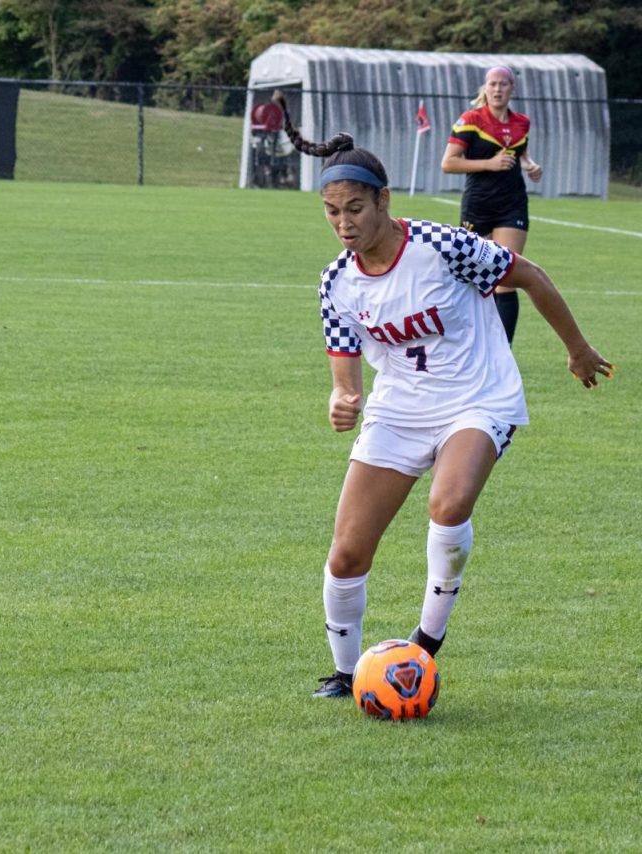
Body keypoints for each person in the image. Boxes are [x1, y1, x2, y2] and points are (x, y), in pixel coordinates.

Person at [270, 97, 614, 699]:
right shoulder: (336, 282)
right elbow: (346, 378)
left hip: (478, 398)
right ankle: (347, 672)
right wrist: (341, 401)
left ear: (383, 201)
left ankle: (426, 642)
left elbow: (527, 275)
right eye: (331, 212)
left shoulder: (439, 245)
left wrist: (577, 348)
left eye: (355, 208)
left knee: (448, 504)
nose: (344, 223)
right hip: (400, 409)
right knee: (348, 552)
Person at [441, 66, 542, 345]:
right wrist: (489, 164)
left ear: (512, 88)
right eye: (493, 84)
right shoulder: (470, 120)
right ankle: (467, 341)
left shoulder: (522, 122)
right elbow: (448, 163)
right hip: (478, 206)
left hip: (512, 204)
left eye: (503, 84)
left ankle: (502, 348)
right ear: (485, 88)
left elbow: (521, 154)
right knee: (472, 276)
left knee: (506, 276)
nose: (498, 89)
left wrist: (530, 166)